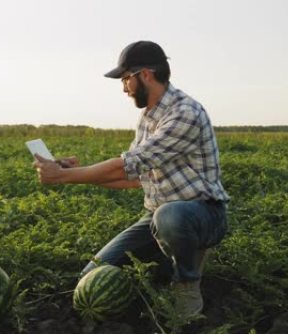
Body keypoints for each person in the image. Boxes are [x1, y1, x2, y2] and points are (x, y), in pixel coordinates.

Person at [32, 40, 229, 318]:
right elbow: (133, 178)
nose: (124, 88)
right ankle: (166, 265)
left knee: (170, 216)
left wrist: (64, 176)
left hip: (203, 214)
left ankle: (186, 282)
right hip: (156, 220)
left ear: (145, 75)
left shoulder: (185, 113)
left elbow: (127, 166)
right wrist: (72, 172)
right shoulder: (148, 118)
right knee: (92, 275)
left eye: (126, 79)